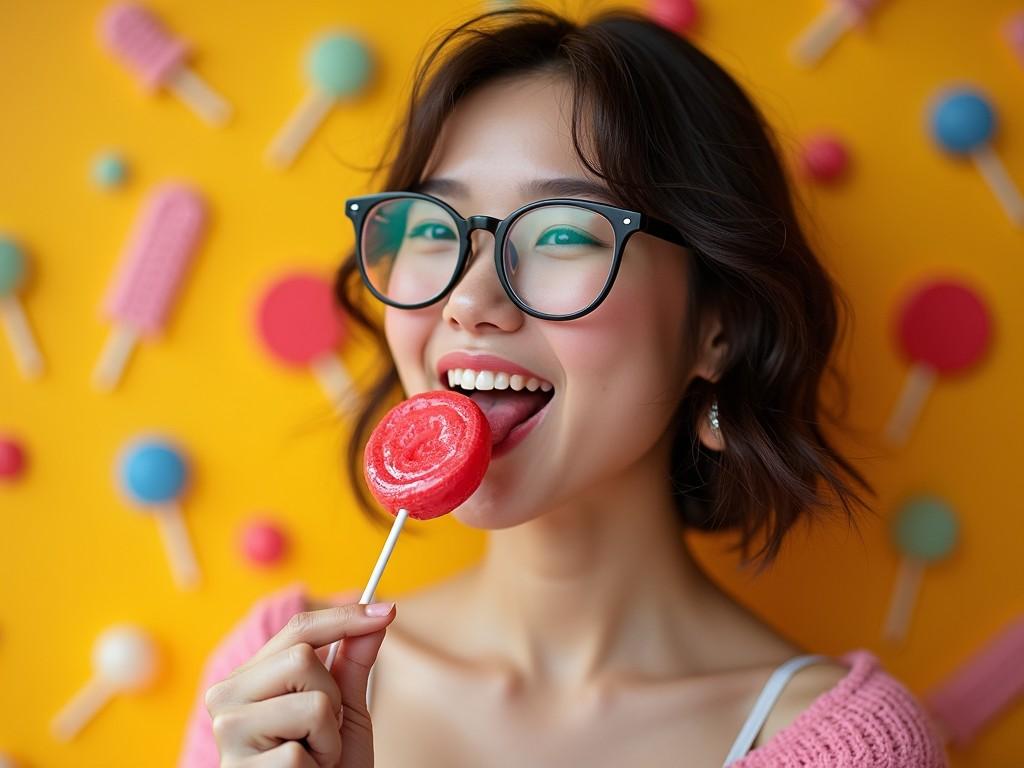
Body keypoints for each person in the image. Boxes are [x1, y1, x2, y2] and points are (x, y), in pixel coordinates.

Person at [180, 7, 949, 766]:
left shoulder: (843, 748)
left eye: (560, 234)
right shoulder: (279, 690)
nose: (470, 301)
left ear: (719, 328)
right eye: (434, 229)